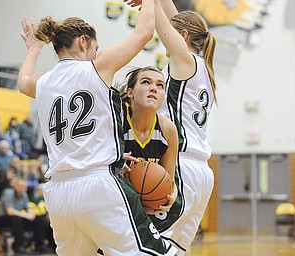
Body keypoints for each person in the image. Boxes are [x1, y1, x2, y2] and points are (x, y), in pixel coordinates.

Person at [17, 0, 177, 255]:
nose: (96, 53)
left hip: (58, 194)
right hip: (96, 185)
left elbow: (22, 80)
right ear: (83, 42)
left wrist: (34, 49)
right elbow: (145, 32)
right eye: (95, 48)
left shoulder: (42, 82)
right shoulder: (96, 68)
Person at [125, 0, 216, 254]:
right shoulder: (203, 67)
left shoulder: (185, 62)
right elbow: (176, 20)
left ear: (183, 36)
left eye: (174, 36)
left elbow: (164, 26)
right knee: (174, 249)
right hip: (202, 174)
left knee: (144, 242)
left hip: (182, 167)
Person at [120, 66, 184, 231]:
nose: (153, 88)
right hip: (114, 200)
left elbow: (168, 179)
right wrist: (116, 161)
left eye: (160, 85)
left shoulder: (168, 129)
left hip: (145, 209)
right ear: (131, 93)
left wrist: (170, 196)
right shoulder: (117, 119)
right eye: (146, 82)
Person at [0, 177, 53, 254]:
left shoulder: (24, 194)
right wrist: (26, 215)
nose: (25, 189)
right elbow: (10, 211)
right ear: (16, 186)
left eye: (25, 187)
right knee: (17, 219)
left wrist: (32, 214)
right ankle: (19, 246)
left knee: (38, 219)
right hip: (2, 219)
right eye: (23, 186)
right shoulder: (8, 193)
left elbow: (28, 207)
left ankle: (39, 245)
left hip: (18, 217)